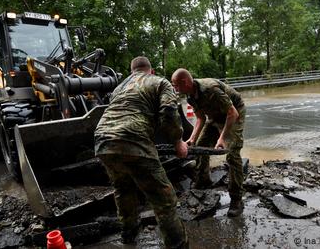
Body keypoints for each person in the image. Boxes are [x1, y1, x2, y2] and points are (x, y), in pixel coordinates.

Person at [95, 56, 189, 248]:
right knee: (165, 201)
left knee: (123, 189)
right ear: (151, 71)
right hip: (133, 140)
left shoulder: (119, 88)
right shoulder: (159, 82)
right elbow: (169, 111)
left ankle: (129, 237)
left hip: (102, 141)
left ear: (132, 72)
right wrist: (178, 141)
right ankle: (178, 245)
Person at [171, 68, 246, 217]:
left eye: (175, 85)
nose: (174, 88)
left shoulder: (211, 90)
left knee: (232, 154)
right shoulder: (190, 95)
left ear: (185, 82)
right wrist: (192, 138)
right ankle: (203, 181)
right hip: (214, 116)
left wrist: (222, 138)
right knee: (200, 147)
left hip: (233, 114)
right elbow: (200, 118)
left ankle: (237, 199)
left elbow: (233, 113)